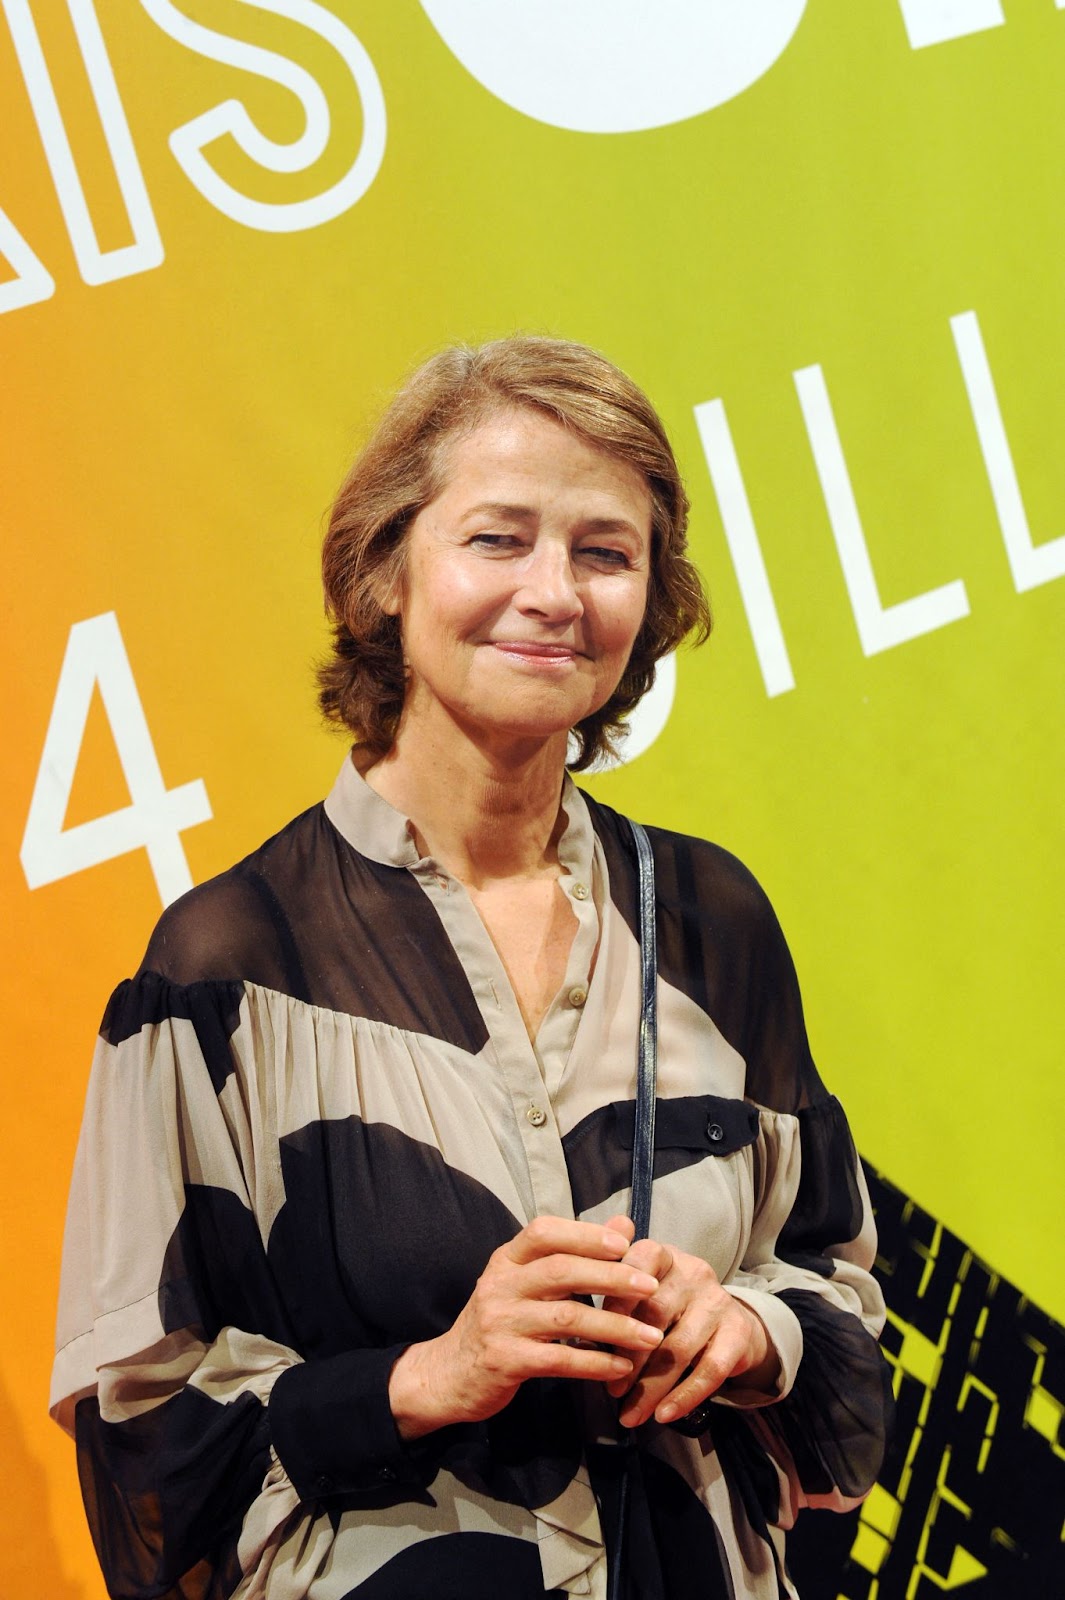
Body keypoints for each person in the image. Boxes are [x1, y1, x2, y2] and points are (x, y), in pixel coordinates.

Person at [51, 337, 893, 1600]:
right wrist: (427, 1374)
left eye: (604, 552)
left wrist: (750, 1327)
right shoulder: (221, 969)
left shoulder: (714, 918)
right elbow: (139, 1423)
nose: (555, 592)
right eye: (498, 539)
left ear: (649, 603)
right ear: (385, 575)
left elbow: (840, 1293)